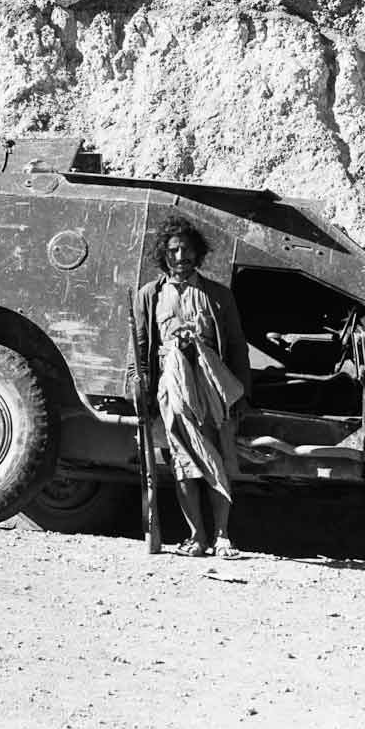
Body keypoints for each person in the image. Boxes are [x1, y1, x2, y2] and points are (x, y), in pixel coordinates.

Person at [132, 215, 251, 558]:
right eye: (173, 250)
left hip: (212, 391)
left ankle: (223, 537)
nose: (181, 256)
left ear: (197, 253)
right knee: (184, 464)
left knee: (217, 460)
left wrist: (243, 395)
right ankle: (197, 537)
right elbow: (139, 348)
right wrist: (138, 390)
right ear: (163, 254)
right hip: (172, 392)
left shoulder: (218, 295)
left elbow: (236, 346)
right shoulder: (149, 295)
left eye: (186, 249)